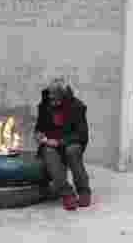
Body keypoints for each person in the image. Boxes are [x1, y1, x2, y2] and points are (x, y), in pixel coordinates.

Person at [34, 78, 91, 210]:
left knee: (72, 152)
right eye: (51, 98)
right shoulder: (44, 105)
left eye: (56, 99)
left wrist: (60, 142)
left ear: (64, 96)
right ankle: (67, 194)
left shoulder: (77, 107)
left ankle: (83, 191)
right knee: (48, 153)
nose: (53, 102)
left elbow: (82, 135)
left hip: (71, 142)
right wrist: (39, 134)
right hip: (50, 144)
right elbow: (39, 127)